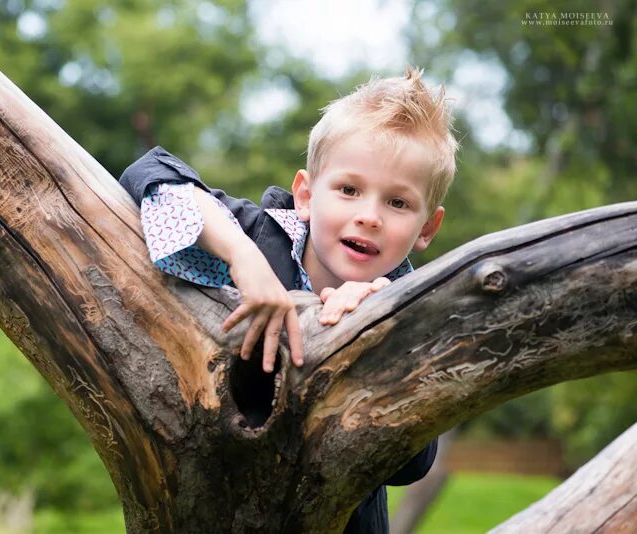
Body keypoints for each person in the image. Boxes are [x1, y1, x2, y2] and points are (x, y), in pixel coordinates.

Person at [120, 66, 458, 533]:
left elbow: (412, 466)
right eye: (348, 189)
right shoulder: (260, 236)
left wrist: (382, 336)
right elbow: (150, 173)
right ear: (305, 195)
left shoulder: (410, 305)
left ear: (427, 228)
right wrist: (241, 256)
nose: (369, 216)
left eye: (397, 203)